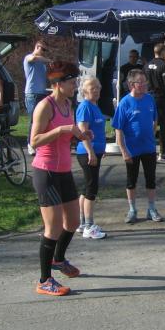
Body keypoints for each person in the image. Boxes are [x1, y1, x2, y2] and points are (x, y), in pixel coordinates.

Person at [30, 61, 92, 296]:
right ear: (57, 84)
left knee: (73, 222)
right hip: (45, 172)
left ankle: (58, 259)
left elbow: (69, 134)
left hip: (64, 170)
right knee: (53, 227)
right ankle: (44, 280)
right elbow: (34, 141)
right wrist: (60, 131)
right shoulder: (44, 107)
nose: (75, 86)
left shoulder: (68, 104)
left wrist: (81, 135)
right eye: (72, 82)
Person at [112, 69, 162, 224]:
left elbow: (155, 120)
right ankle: (132, 209)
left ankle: (151, 209)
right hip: (132, 149)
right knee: (131, 180)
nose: (144, 85)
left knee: (151, 179)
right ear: (131, 84)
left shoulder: (149, 99)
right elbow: (118, 129)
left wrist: (151, 134)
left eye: (145, 81)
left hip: (149, 148)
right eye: (140, 82)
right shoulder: (124, 103)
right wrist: (123, 150)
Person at [75, 77, 107, 240]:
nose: (96, 90)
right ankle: (89, 225)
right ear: (84, 91)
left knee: (87, 187)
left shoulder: (95, 106)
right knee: (91, 188)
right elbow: (83, 131)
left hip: (96, 151)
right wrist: (91, 152)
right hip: (87, 152)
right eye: (92, 88)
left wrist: (101, 149)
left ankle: (81, 223)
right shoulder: (85, 106)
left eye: (97, 87)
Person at [23, 41, 52, 155]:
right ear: (37, 47)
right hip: (32, 94)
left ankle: (39, 143)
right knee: (33, 119)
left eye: (45, 50)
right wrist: (49, 60)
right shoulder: (29, 57)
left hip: (42, 93)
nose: (43, 52)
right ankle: (30, 144)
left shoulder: (42, 63)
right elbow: (33, 58)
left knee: (42, 120)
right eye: (42, 49)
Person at [146, 43, 165, 162]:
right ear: (163, 52)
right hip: (161, 98)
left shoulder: (147, 65)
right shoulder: (164, 65)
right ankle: (162, 153)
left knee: (151, 124)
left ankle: (149, 150)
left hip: (149, 97)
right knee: (163, 125)